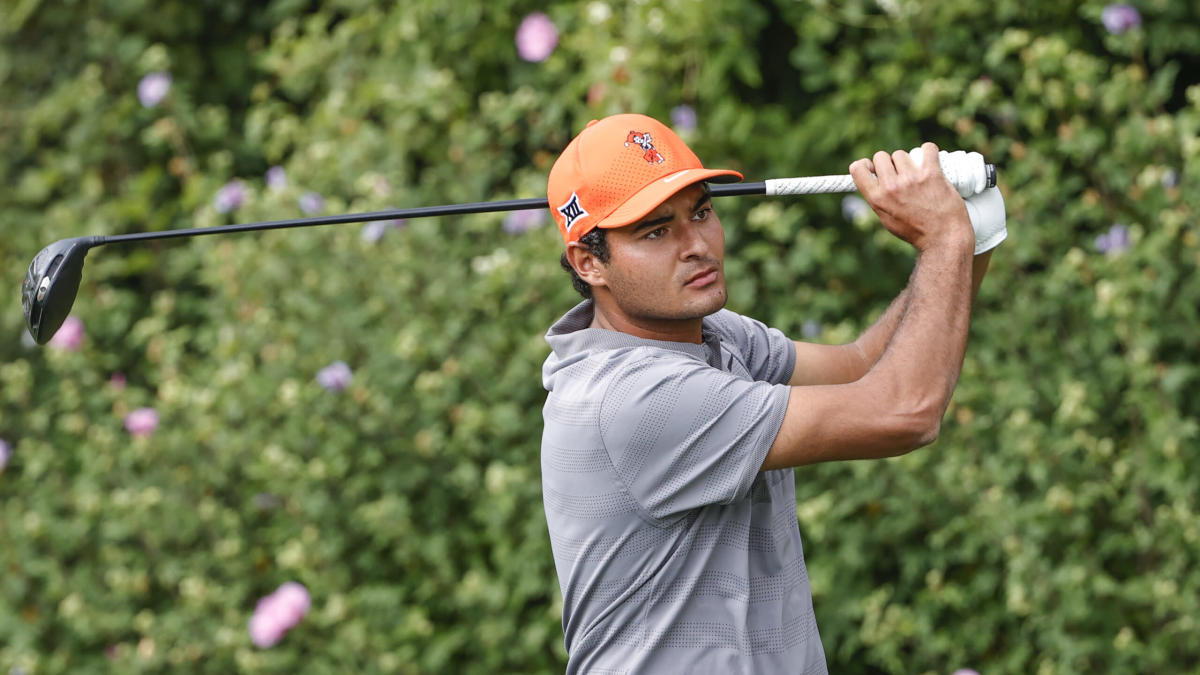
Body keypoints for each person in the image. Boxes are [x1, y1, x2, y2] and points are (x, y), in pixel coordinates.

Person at [539, 113, 1004, 674]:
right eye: (655, 231)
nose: (696, 245)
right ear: (590, 263)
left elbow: (863, 365)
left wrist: (971, 239)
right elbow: (904, 411)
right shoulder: (631, 399)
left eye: (702, 212)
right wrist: (945, 239)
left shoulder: (713, 337)